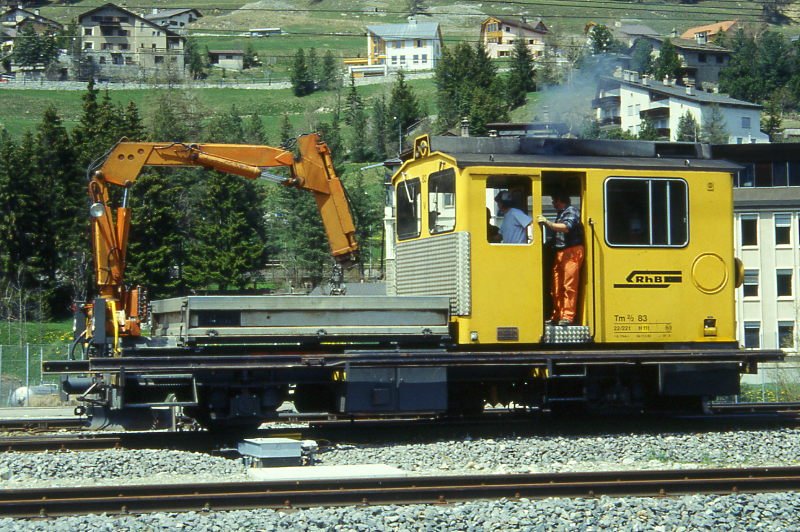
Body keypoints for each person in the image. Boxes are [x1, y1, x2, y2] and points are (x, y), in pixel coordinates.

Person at [537, 193, 585, 326]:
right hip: (561, 252)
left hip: (572, 251)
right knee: (556, 286)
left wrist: (547, 222)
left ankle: (568, 317)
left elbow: (566, 227)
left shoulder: (571, 211)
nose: (552, 203)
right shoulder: (561, 213)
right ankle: (557, 314)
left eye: (554, 201)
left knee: (569, 285)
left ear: (560, 200)